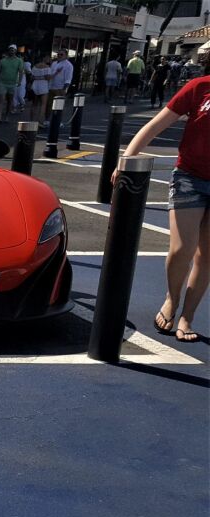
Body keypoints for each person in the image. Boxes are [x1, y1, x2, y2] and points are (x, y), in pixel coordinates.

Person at [114, 73, 209, 343]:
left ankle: (187, 316)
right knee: (182, 249)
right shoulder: (200, 87)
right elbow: (155, 125)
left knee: (207, 256)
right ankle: (172, 298)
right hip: (190, 177)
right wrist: (127, 157)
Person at [0, 45, 23, 123]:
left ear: (15, 51)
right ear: (8, 50)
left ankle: (7, 116)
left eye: (13, 50)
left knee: (9, 100)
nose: (11, 51)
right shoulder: (3, 60)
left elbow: (21, 71)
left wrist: (19, 81)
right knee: (1, 99)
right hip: (2, 82)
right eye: (10, 49)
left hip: (12, 83)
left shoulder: (19, 61)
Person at [29, 54, 53, 125]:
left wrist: (37, 78)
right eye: (48, 58)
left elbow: (31, 77)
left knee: (34, 104)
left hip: (35, 85)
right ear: (45, 58)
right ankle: (40, 121)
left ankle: (32, 121)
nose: (49, 59)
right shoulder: (47, 68)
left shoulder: (35, 66)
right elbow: (48, 78)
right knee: (43, 104)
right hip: (43, 85)